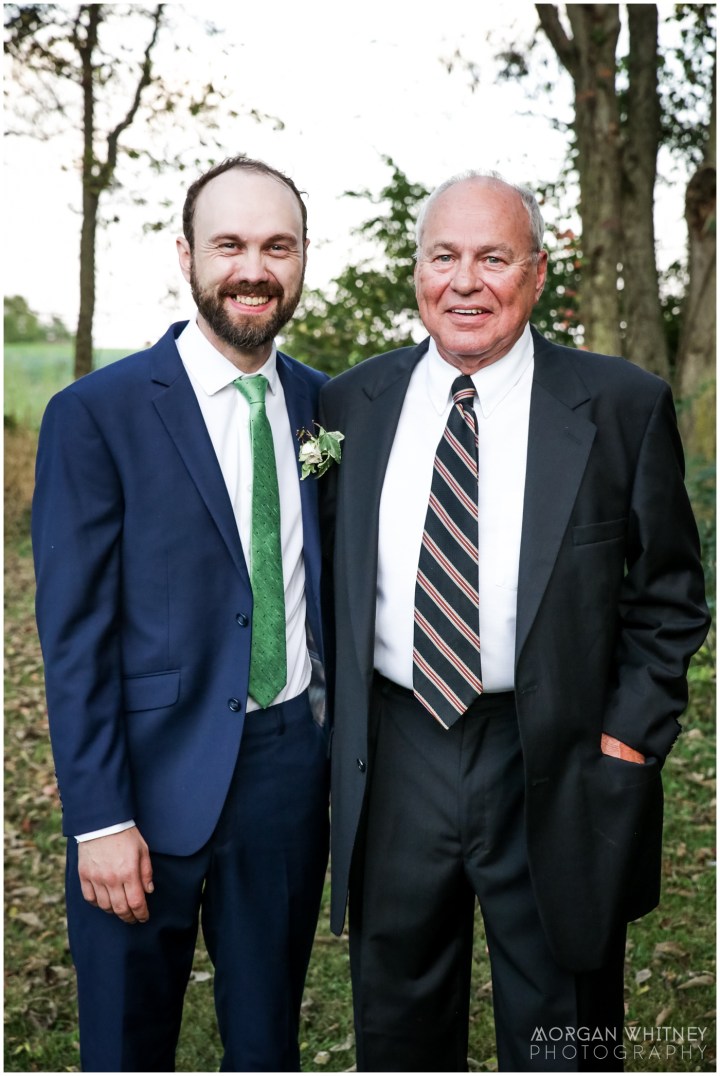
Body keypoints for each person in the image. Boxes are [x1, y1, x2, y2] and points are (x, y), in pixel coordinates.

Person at [318, 171, 710, 1072]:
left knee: (564, 1022)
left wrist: (628, 740)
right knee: (399, 1016)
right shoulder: (349, 408)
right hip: (400, 742)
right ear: (415, 271)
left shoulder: (620, 405)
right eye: (443, 257)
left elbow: (671, 594)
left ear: (538, 273)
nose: (466, 282)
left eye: (493, 258)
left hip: (559, 751)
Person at [32, 156, 330, 1072]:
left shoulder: (325, 403)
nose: (254, 268)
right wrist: (98, 819)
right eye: (229, 244)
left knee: (265, 1040)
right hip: (144, 783)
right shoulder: (97, 414)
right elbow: (74, 638)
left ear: (302, 259)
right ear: (186, 256)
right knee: (126, 1043)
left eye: (276, 246)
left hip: (286, 772)